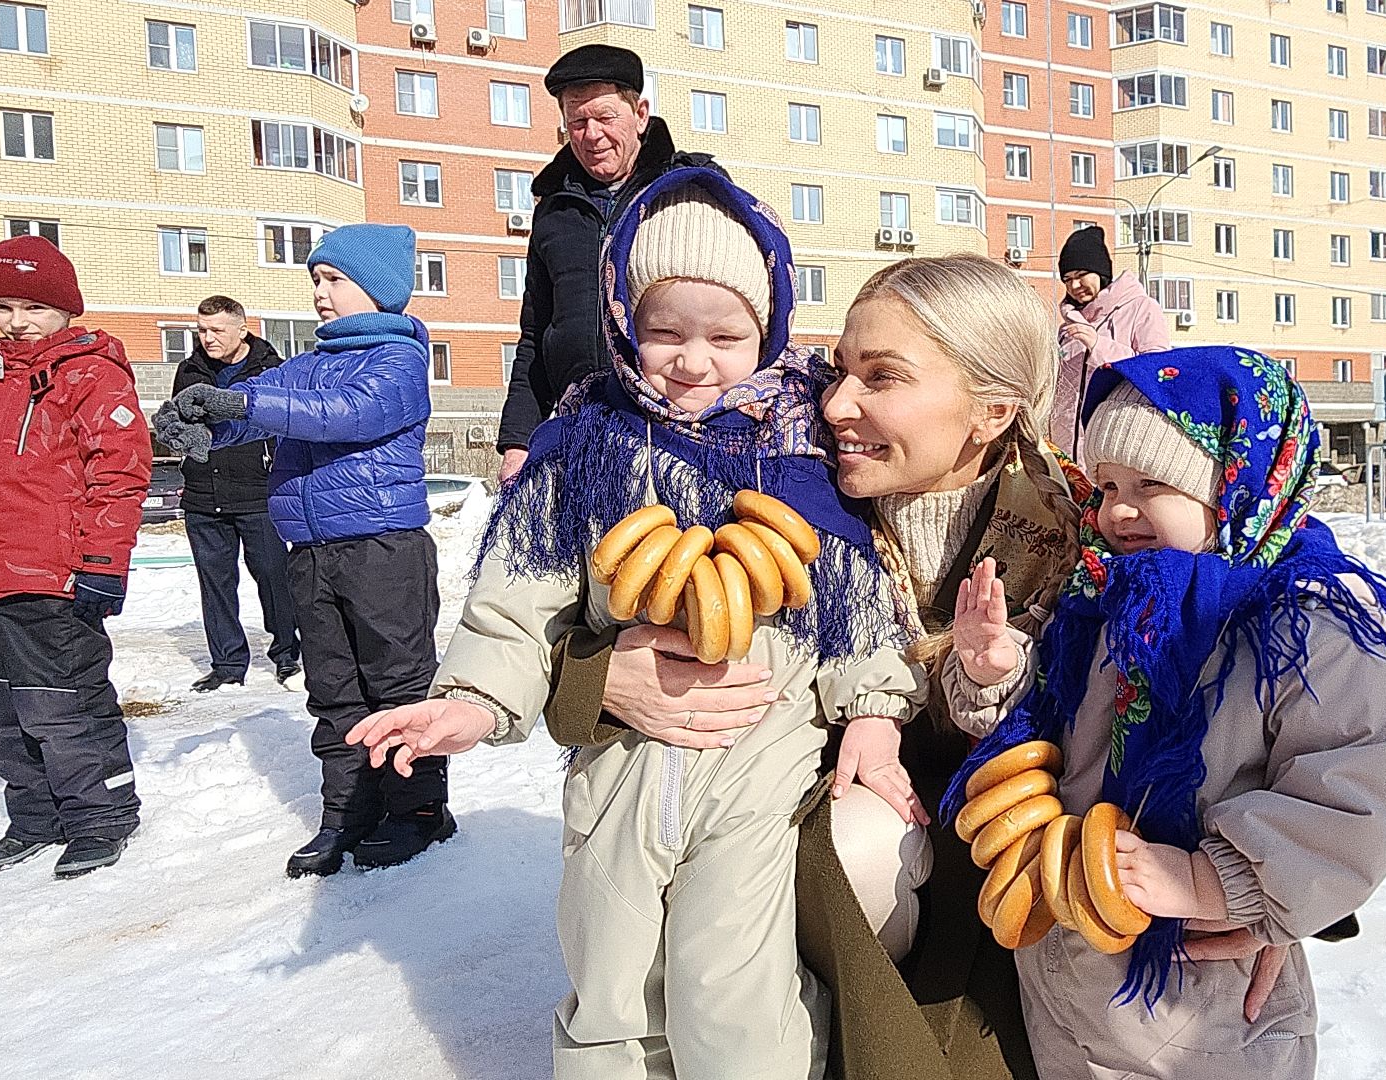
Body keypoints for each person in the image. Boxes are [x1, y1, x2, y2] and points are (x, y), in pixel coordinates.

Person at [539, 257, 1302, 1079]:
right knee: (863, 847)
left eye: (882, 377)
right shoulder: (775, 479)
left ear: (991, 411)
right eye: (838, 371)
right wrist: (593, 676)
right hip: (811, 822)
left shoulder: (1090, 527)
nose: (835, 405)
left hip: (1011, 849)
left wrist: (1261, 900)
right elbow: (553, 606)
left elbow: (1252, 701)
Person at [350, 170, 926, 1080]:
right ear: (625, 325)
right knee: (610, 975)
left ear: (767, 331)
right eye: (666, 332)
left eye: (726, 337)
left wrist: (875, 716)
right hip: (619, 771)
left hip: (756, 759)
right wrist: (468, 702)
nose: (693, 361)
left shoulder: (803, 460)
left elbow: (855, 616)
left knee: (727, 978)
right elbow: (519, 600)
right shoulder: (583, 448)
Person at [942, 346, 1386, 1079]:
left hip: (1203, 988)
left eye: (1151, 484)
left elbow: (1358, 788)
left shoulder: (1301, 628)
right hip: (1072, 967)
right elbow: (1047, 731)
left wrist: (1212, 882)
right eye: (1105, 486)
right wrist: (998, 674)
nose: (1119, 510)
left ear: (1235, 485)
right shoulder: (1101, 603)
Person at [154, 225, 449, 878]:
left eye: (334, 279)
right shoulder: (307, 363)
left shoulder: (398, 360)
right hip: (311, 549)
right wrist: (203, 421)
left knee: (396, 684)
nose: (319, 292)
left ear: (377, 288)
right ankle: (346, 813)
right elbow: (267, 412)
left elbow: (346, 413)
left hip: (382, 547)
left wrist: (244, 398)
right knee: (334, 689)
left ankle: (419, 810)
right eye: (315, 279)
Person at [0, 235, 151, 878]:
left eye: (34, 308)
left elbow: (121, 474)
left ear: (67, 308)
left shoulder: (92, 377)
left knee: (66, 705)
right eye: (3, 306)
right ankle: (35, 814)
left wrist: (105, 561)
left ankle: (100, 814)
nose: (18, 322)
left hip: (58, 575)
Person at [494, 43, 722, 482]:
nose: (591, 134)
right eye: (577, 122)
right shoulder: (554, 210)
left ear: (640, 114)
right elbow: (536, 333)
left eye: (604, 117)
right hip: (582, 428)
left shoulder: (690, 189)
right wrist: (518, 439)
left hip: (677, 431)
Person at [170, 294, 300, 692]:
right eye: (202, 330)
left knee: (274, 578)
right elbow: (181, 420)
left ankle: (288, 656)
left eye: (217, 330)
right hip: (203, 497)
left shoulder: (271, 370)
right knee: (216, 584)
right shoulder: (189, 371)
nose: (208, 338)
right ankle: (227, 664)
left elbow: (284, 426)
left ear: (241, 330)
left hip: (258, 494)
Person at [1050, 225, 1170, 453]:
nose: (1074, 286)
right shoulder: (1068, 326)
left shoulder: (1141, 308)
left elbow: (1158, 371)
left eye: (1081, 275)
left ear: (1101, 272)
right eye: (1067, 279)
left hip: (1116, 446)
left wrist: (1098, 346)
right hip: (1065, 453)